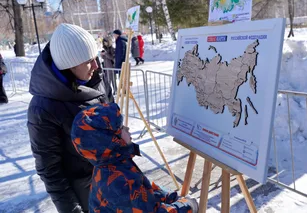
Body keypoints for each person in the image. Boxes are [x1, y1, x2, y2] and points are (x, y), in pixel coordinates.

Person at [27, 23, 114, 213]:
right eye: (88, 61)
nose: (96, 65)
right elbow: (50, 170)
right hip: (84, 189)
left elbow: (109, 110)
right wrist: (72, 209)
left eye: (95, 57)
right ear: (69, 65)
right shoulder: (43, 107)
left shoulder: (93, 76)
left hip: (111, 176)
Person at [71, 103, 199, 213]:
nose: (127, 128)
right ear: (111, 141)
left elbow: (144, 189)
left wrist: (169, 196)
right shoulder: (120, 182)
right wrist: (187, 206)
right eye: (121, 128)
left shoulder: (113, 164)